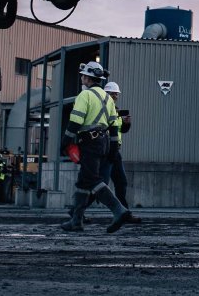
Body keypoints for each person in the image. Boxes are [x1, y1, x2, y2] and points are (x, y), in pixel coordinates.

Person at [60, 61, 133, 233]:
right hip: (104, 143)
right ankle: (76, 221)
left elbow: (75, 121)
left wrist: (65, 142)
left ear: (88, 77)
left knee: (92, 180)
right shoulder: (108, 98)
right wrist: (113, 149)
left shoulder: (84, 96)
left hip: (90, 143)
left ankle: (119, 210)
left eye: (83, 75)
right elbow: (114, 126)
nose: (81, 78)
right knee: (83, 181)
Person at [99, 81, 141, 223]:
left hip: (114, 151)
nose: (116, 96)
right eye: (113, 93)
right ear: (107, 94)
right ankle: (77, 211)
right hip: (105, 151)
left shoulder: (115, 109)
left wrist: (126, 124)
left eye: (117, 94)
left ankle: (124, 213)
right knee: (100, 184)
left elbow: (120, 130)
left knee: (121, 182)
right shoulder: (104, 109)